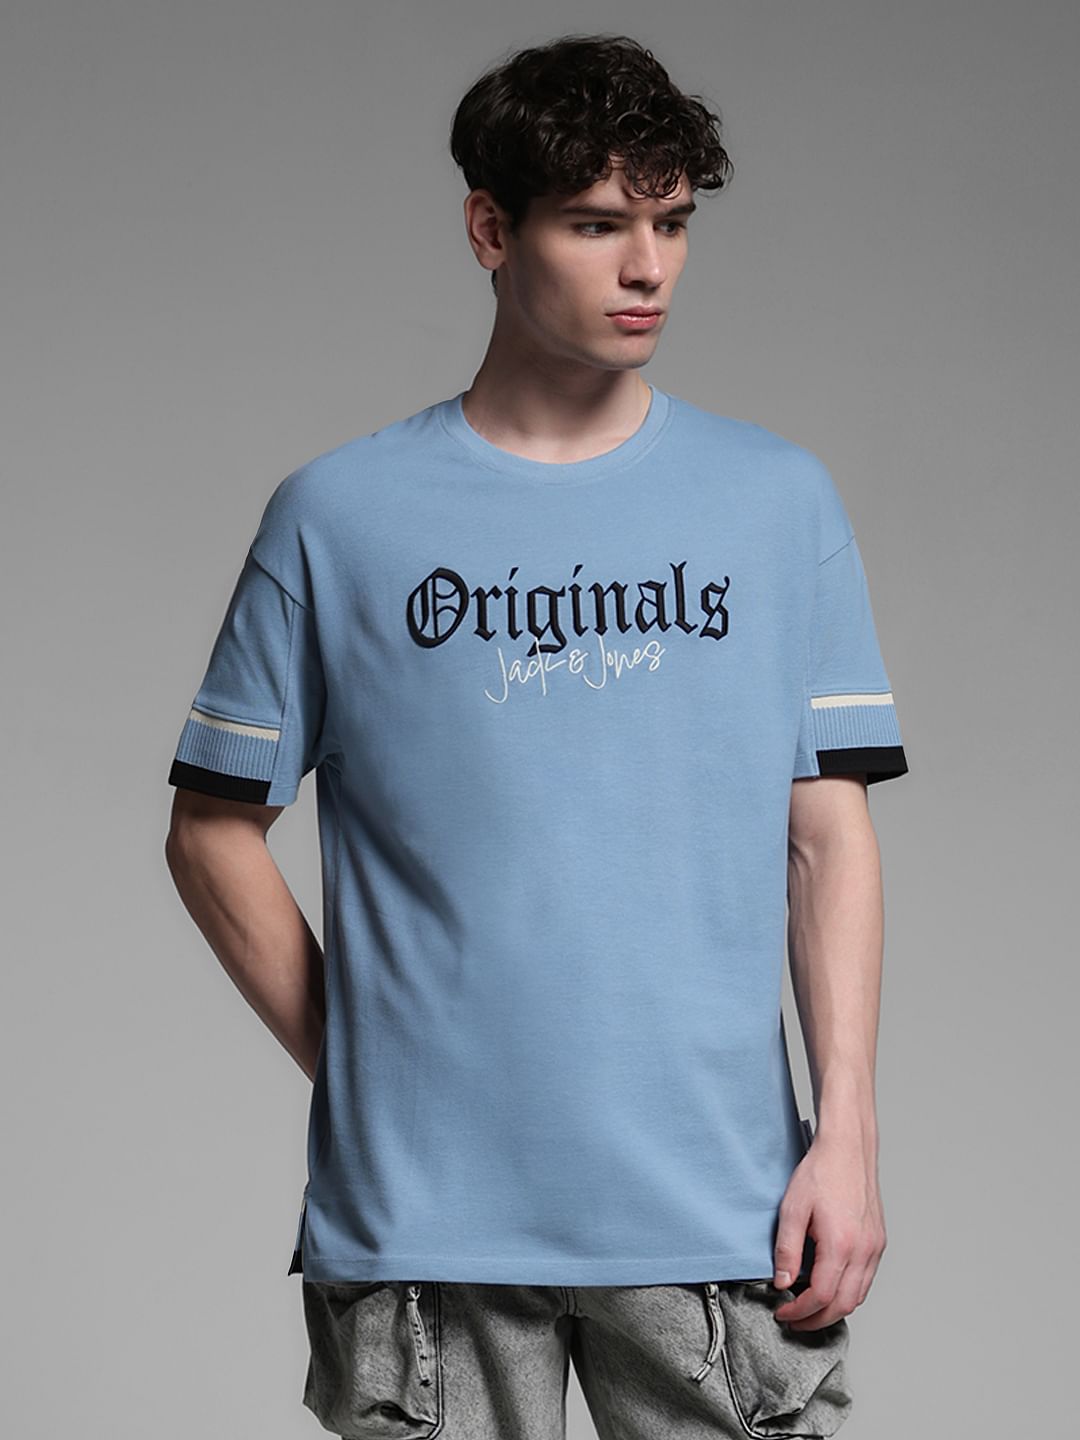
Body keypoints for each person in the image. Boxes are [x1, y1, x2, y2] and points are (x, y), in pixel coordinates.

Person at [165, 31, 909, 1440]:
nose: (648, 268)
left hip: (720, 1214)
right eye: (597, 224)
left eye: (672, 224)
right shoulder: (338, 519)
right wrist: (364, 1068)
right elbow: (211, 831)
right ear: (489, 229)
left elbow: (826, 836)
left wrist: (850, 1134)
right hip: (426, 1239)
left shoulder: (777, 503)